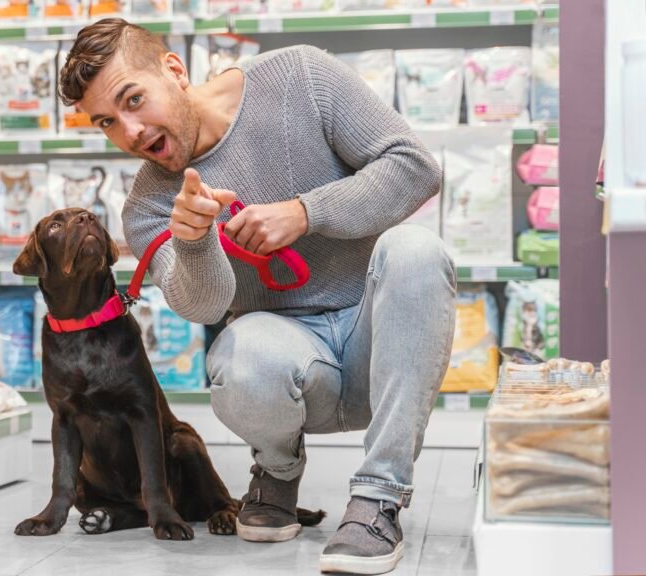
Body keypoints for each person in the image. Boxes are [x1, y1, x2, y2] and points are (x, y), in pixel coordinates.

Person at [58, 18, 456, 576]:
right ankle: (276, 469)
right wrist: (193, 243)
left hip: (380, 340)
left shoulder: (300, 75)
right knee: (238, 352)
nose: (131, 132)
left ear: (174, 69)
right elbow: (201, 309)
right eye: (108, 122)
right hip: (292, 366)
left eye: (133, 100)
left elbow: (415, 168)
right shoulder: (149, 207)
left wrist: (305, 213)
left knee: (416, 250)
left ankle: (378, 498)